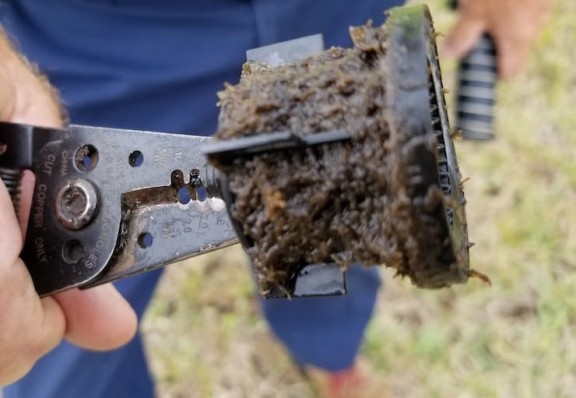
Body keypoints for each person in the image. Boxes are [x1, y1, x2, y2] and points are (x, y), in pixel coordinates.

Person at [0, 0, 553, 397]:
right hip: (103, 31)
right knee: (55, 310)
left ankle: (328, 352)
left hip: (331, 8)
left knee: (348, 209)